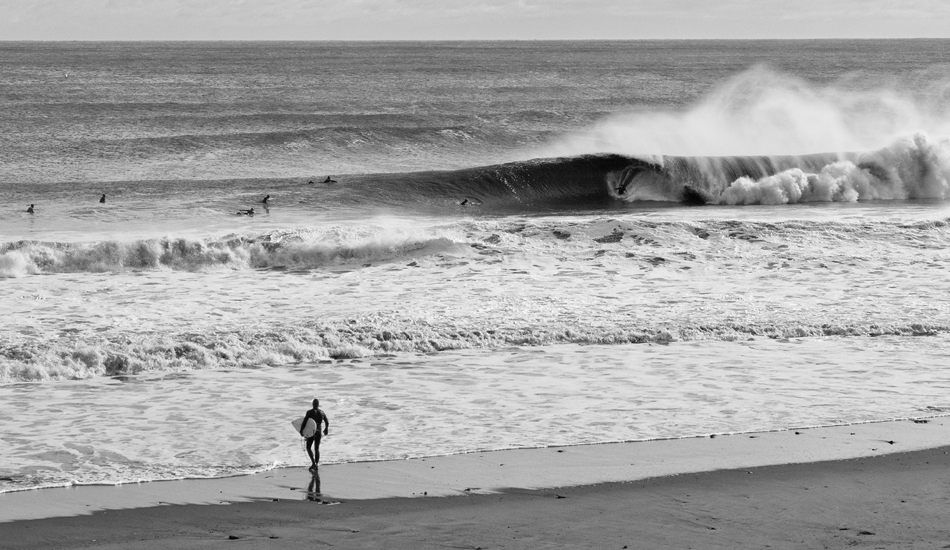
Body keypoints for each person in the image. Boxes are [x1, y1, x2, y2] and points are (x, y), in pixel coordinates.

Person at [300, 398, 330, 470]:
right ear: (318, 405)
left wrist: (301, 431)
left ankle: (313, 463)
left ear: (312, 404)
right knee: (317, 448)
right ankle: (316, 464)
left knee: (308, 448)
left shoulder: (309, 412)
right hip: (318, 432)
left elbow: (304, 422)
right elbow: (327, 422)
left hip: (311, 432)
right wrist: (326, 429)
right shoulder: (322, 412)